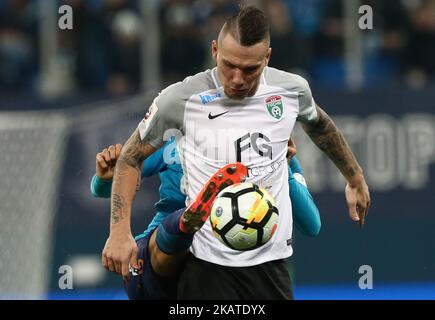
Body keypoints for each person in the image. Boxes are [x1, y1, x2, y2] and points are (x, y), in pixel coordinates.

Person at [101, 5, 370, 300]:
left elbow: (321, 126)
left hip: (271, 260)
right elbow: (130, 157)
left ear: (266, 58)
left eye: (250, 69)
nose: (238, 79)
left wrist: (355, 179)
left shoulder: (291, 91)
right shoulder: (180, 99)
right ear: (215, 50)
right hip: (206, 262)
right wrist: (118, 231)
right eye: (229, 65)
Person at [92, 138, 320, 299]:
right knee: (181, 230)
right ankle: (187, 220)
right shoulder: (174, 141)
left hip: (227, 274)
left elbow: (312, 225)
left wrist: (283, 166)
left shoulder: (269, 146)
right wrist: (106, 177)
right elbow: (101, 188)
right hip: (158, 270)